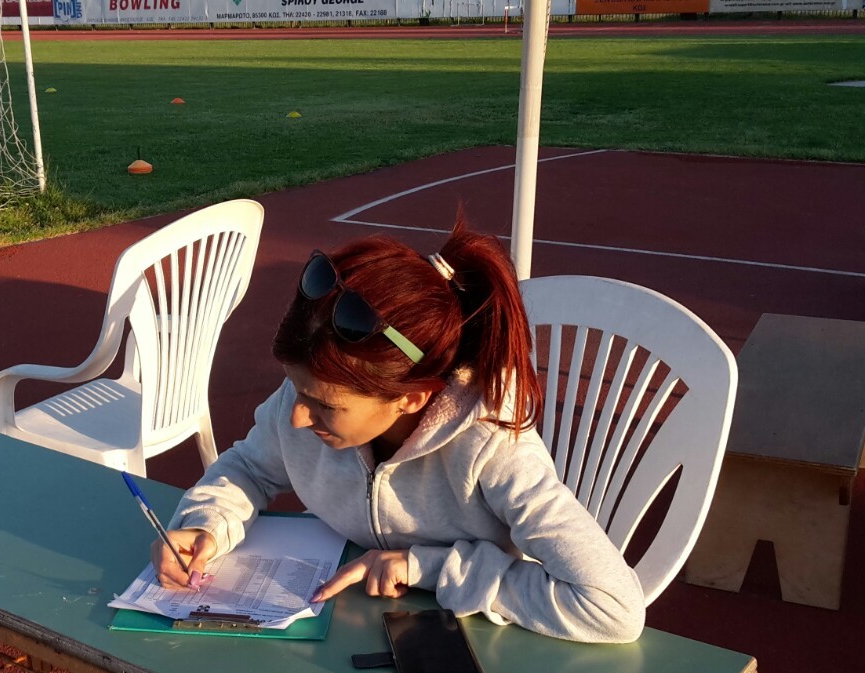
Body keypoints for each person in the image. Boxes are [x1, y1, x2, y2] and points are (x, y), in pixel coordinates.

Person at [150, 221, 645, 644]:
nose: (297, 417)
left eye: (325, 406)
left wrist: (422, 567)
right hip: (344, 625)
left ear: (411, 398)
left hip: (466, 643)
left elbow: (613, 607)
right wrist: (205, 523)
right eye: (295, 389)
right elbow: (248, 467)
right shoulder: (307, 396)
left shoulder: (492, 449)